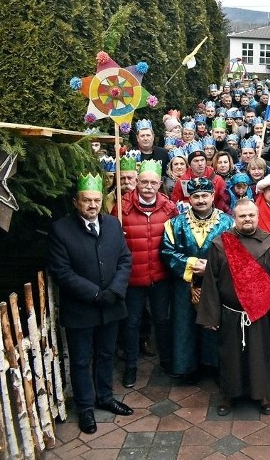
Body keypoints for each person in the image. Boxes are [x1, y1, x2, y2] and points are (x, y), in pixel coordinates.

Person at [47, 173, 134, 434]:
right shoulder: (61, 229)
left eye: (97, 200)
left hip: (111, 304)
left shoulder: (112, 225)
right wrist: (96, 294)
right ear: (76, 202)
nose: (93, 205)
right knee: (81, 359)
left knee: (106, 354)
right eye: (87, 201)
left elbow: (125, 260)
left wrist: (115, 290)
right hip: (81, 308)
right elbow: (61, 271)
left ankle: (105, 397)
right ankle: (85, 408)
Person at [196, 199, 270, 417]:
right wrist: (211, 315)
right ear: (235, 218)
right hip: (231, 313)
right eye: (242, 216)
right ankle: (229, 395)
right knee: (230, 357)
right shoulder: (220, 244)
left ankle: (262, 395)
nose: (247, 219)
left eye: (251, 215)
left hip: (261, 313)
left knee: (261, 356)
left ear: (257, 217)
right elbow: (211, 281)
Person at [161, 178, 234, 384]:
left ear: (212, 196)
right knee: (184, 324)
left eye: (205, 196)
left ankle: (215, 365)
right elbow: (167, 251)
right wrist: (192, 264)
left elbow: (236, 253)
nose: (201, 200)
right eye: (196, 196)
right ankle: (187, 367)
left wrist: (210, 267)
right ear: (189, 198)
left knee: (216, 324)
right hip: (184, 284)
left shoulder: (228, 223)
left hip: (217, 284)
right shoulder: (175, 224)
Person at [115, 160, 178, 388]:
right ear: (136, 183)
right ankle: (131, 366)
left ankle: (167, 360)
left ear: (160, 183)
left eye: (153, 182)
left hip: (159, 276)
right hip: (132, 278)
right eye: (144, 182)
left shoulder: (169, 208)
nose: (149, 186)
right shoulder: (122, 208)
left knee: (162, 320)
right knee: (131, 323)